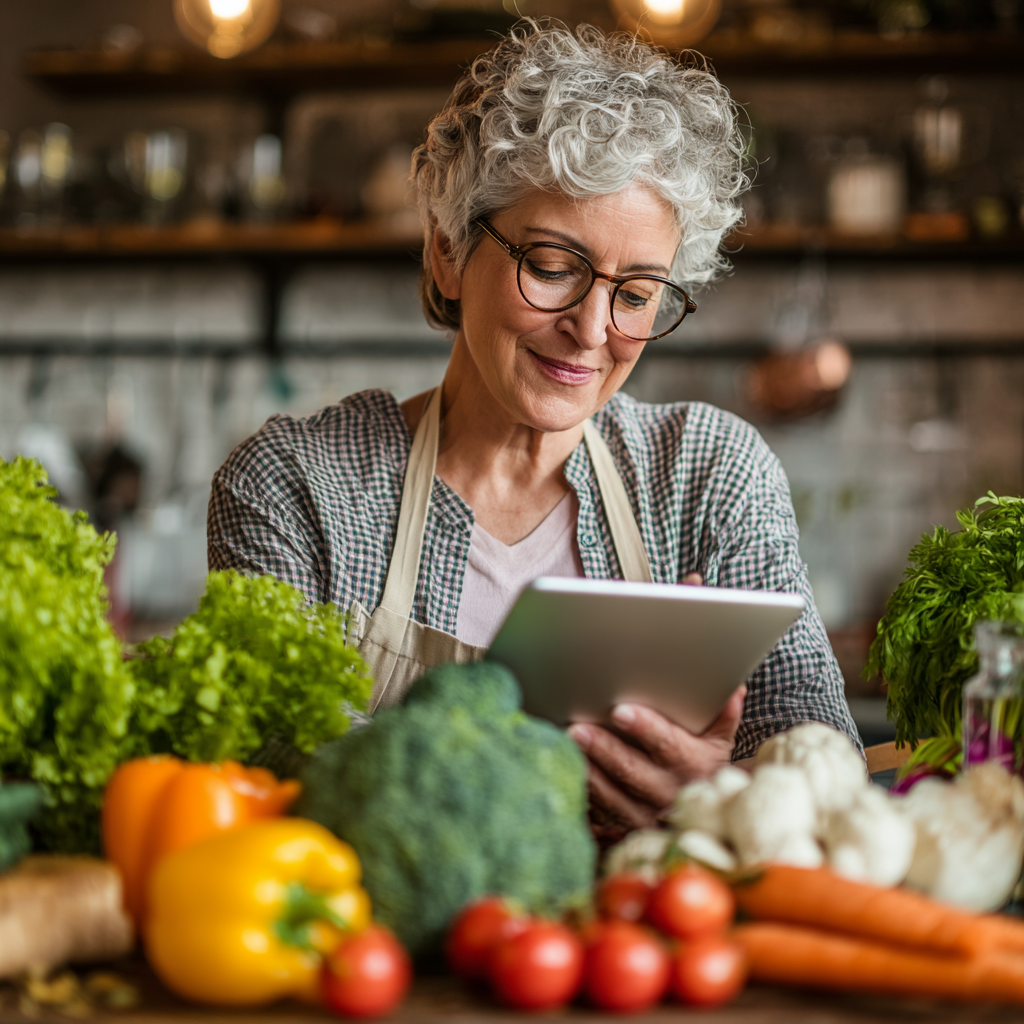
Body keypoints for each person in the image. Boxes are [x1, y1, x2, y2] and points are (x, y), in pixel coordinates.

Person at [208, 21, 859, 842]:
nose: (592, 330)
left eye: (636, 293)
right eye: (552, 267)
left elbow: (824, 771)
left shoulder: (708, 471)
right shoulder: (299, 484)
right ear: (448, 252)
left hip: (649, 955)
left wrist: (722, 794)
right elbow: (283, 779)